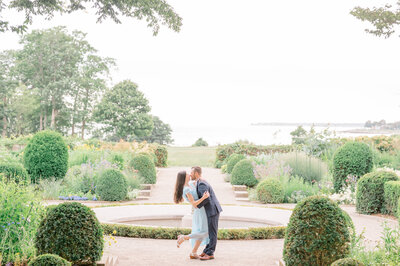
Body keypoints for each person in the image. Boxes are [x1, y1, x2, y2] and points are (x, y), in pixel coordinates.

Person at [174, 170, 210, 259]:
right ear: (183, 177)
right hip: (199, 211)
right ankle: (184, 237)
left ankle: (193, 252)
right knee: (205, 232)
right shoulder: (186, 189)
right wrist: (204, 197)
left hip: (201, 210)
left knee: (201, 231)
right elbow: (194, 203)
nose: (189, 174)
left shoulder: (190, 183)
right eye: (187, 174)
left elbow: (199, 181)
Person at [191, 166, 222, 261]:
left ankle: (210, 253)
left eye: (191, 173)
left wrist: (196, 206)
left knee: (212, 233)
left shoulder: (201, 184)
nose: (190, 174)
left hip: (212, 210)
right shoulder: (200, 182)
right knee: (210, 232)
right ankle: (206, 250)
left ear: (196, 173)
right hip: (211, 210)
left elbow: (207, 198)